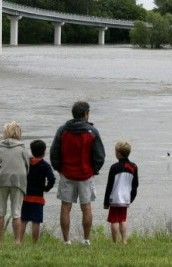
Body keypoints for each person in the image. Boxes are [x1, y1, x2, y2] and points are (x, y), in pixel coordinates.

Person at [50, 101, 105, 245]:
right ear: (86, 114)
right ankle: (86, 239)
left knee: (65, 206)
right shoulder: (92, 132)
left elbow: (54, 153)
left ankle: (66, 240)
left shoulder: (62, 130)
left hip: (66, 173)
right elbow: (100, 156)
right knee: (86, 206)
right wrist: (94, 170)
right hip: (86, 175)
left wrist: (59, 169)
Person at [0, 121, 30, 245]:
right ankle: (17, 241)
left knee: (0, 213)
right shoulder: (22, 148)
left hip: (1, 180)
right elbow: (27, 166)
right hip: (18, 181)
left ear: (6, 132)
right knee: (16, 213)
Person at [19, 140, 56, 243]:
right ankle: (34, 243)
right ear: (44, 152)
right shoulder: (45, 165)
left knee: (23, 220)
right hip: (38, 198)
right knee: (36, 221)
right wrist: (47, 188)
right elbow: (52, 179)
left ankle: (19, 241)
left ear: (31, 151)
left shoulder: (26, 163)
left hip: (25, 196)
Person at [103, 140, 139, 244]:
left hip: (114, 198)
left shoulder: (114, 167)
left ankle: (115, 242)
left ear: (118, 153)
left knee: (114, 220)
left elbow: (109, 185)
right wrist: (131, 198)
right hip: (125, 198)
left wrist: (106, 202)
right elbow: (135, 185)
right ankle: (124, 241)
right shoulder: (134, 167)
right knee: (122, 220)